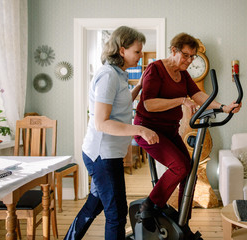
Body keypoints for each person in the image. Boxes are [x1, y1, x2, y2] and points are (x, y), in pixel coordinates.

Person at [133, 32, 241, 232]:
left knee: (188, 172)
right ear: (173, 50)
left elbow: (199, 95)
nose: (190, 61)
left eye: (192, 57)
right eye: (186, 55)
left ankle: (183, 222)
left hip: (170, 130)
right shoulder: (155, 69)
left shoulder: (183, 74)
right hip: (147, 129)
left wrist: (224, 107)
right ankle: (147, 206)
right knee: (180, 166)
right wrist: (181, 100)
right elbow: (149, 104)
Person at [64, 26, 159, 240]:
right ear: (122, 50)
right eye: (137, 51)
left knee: (94, 205)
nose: (140, 56)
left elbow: (121, 105)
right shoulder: (108, 76)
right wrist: (141, 129)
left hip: (109, 153)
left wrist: (140, 86)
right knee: (116, 214)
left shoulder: (119, 74)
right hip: (102, 156)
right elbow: (102, 123)